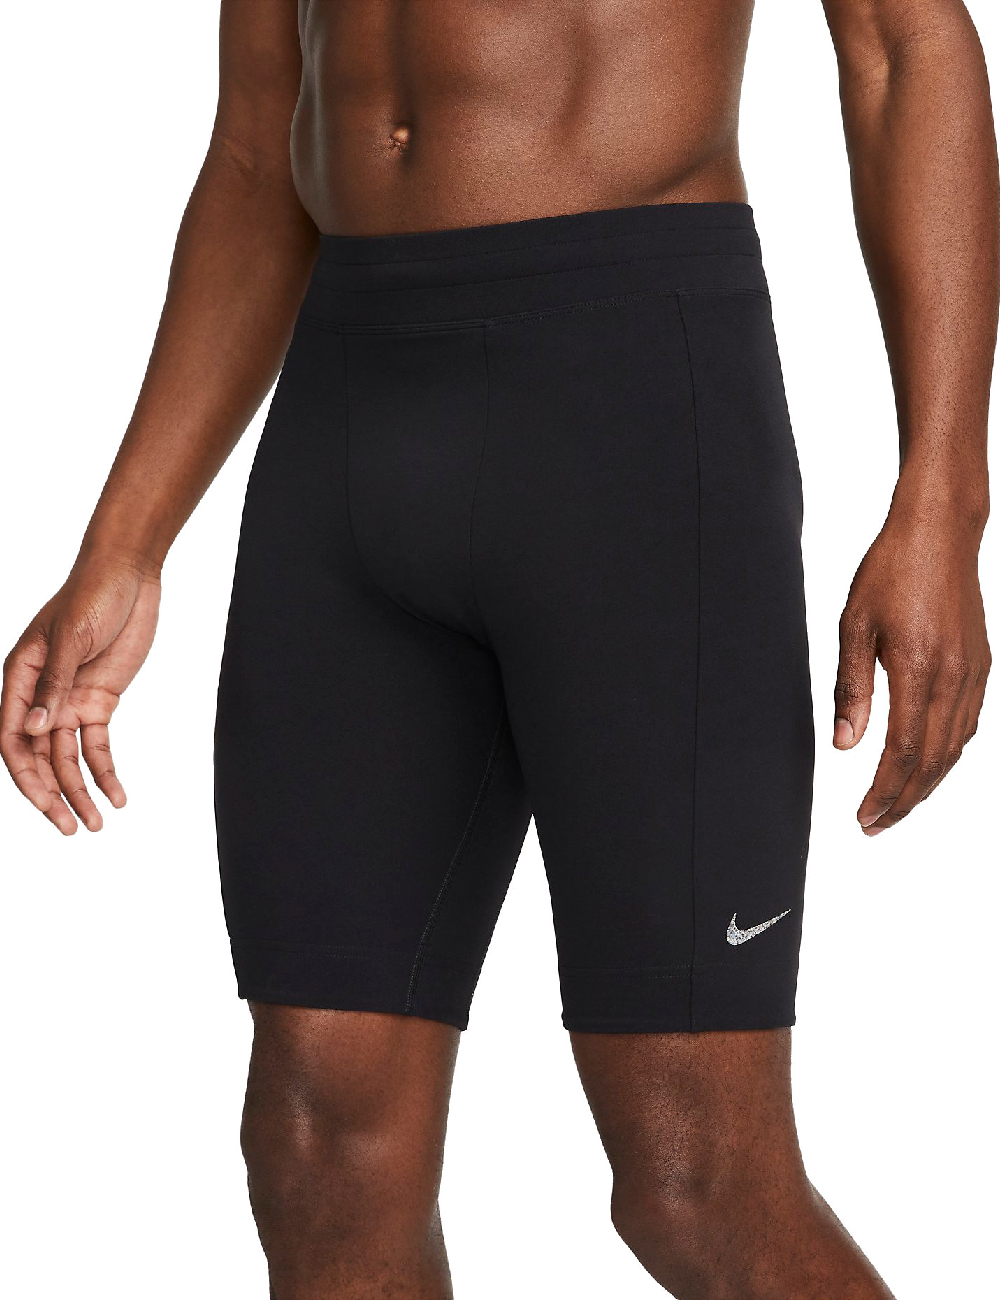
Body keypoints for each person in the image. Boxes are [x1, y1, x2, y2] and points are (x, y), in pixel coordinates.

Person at [1, 1, 995, 1296]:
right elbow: (255, 147)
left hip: (630, 412)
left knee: (694, 1178)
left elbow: (904, 47)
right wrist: (126, 542)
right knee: (318, 1154)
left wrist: (943, 501)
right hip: (349, 427)